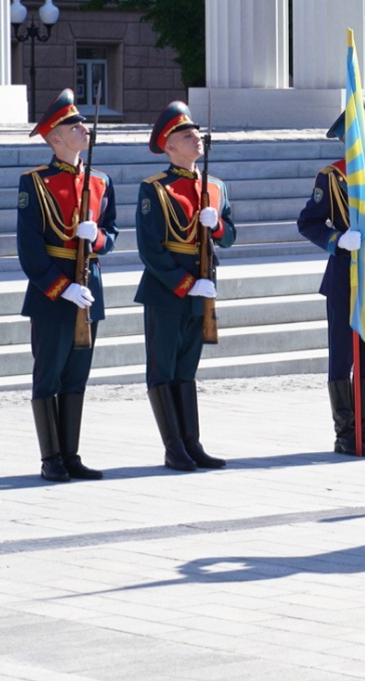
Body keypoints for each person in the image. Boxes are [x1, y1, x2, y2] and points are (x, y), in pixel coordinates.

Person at [17, 89, 117, 482]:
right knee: (49, 376)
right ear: (55, 138)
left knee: (76, 376)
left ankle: (70, 454)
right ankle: (51, 458)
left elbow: (112, 234)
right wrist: (61, 288)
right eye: (74, 126)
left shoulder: (101, 181)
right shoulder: (35, 183)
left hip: (89, 288)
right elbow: (30, 249)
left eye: (83, 123)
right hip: (53, 293)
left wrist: (96, 238)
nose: (84, 129)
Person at [136, 100, 237, 471]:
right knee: (162, 370)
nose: (196, 139)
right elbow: (150, 248)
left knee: (186, 369)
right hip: (167, 291)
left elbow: (230, 236)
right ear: (169, 145)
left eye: (196, 134)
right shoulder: (155, 189)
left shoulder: (216, 186)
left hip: (203, 289)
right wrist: (185, 283)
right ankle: (174, 447)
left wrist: (217, 225)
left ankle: (192, 443)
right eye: (187, 135)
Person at [296, 103, 365, 456]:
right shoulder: (333, 176)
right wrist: (337, 240)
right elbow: (308, 222)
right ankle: (345, 431)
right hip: (345, 275)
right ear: (352, 135)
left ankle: (363, 429)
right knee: (343, 356)